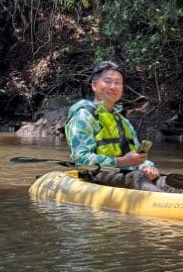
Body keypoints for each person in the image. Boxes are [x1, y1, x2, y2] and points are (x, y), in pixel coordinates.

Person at [65, 61, 163, 192]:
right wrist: (121, 161)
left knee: (171, 180)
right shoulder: (83, 117)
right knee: (137, 177)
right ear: (94, 85)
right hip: (97, 175)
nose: (113, 86)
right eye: (108, 81)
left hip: (128, 174)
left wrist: (148, 167)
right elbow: (80, 159)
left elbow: (136, 156)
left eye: (118, 83)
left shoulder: (123, 121)